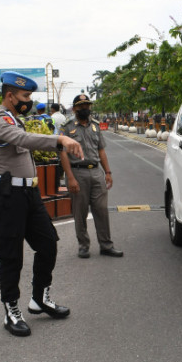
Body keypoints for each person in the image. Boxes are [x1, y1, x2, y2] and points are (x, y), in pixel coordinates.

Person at [0, 71, 85, 337]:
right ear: (10, 96)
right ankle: (11, 310)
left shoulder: (14, 120)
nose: (28, 101)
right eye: (25, 96)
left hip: (29, 195)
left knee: (47, 244)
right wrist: (59, 139)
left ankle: (40, 298)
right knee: (11, 257)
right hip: (8, 197)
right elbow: (24, 140)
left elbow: (24, 141)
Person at [59, 94, 123, 259]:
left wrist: (108, 172)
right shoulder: (66, 127)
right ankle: (83, 245)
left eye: (87, 106)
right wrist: (70, 177)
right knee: (79, 211)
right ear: (74, 109)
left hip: (96, 172)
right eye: (81, 107)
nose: (85, 109)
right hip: (77, 172)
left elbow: (101, 150)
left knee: (101, 210)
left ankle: (106, 245)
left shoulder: (95, 126)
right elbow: (63, 154)